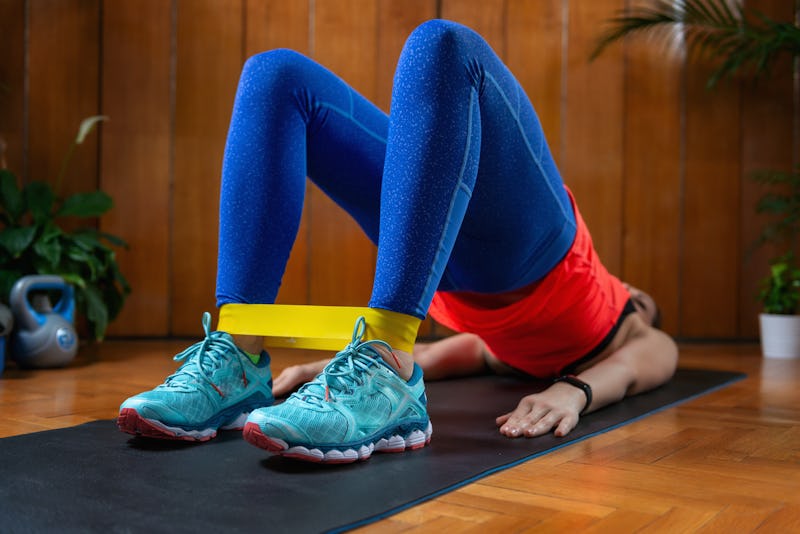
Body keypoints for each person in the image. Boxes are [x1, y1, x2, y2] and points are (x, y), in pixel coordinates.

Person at [118, 19, 678, 462]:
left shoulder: (560, 346)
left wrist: (570, 392)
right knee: (275, 75)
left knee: (440, 45)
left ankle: (386, 362)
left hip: (444, 271)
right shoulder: (622, 317)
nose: (639, 302)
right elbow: (641, 359)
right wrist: (575, 388)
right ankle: (237, 360)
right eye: (639, 300)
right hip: (537, 251)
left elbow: (457, 354)